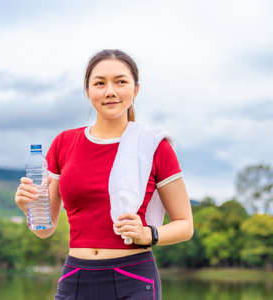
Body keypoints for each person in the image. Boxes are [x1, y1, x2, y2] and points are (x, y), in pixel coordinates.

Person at [14, 49, 193, 300]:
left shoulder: (154, 147)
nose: (110, 91)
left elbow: (185, 225)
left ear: (136, 89)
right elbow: (45, 230)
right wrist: (29, 208)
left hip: (133, 278)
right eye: (100, 83)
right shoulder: (64, 143)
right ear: (88, 92)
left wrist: (148, 233)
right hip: (75, 276)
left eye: (120, 81)